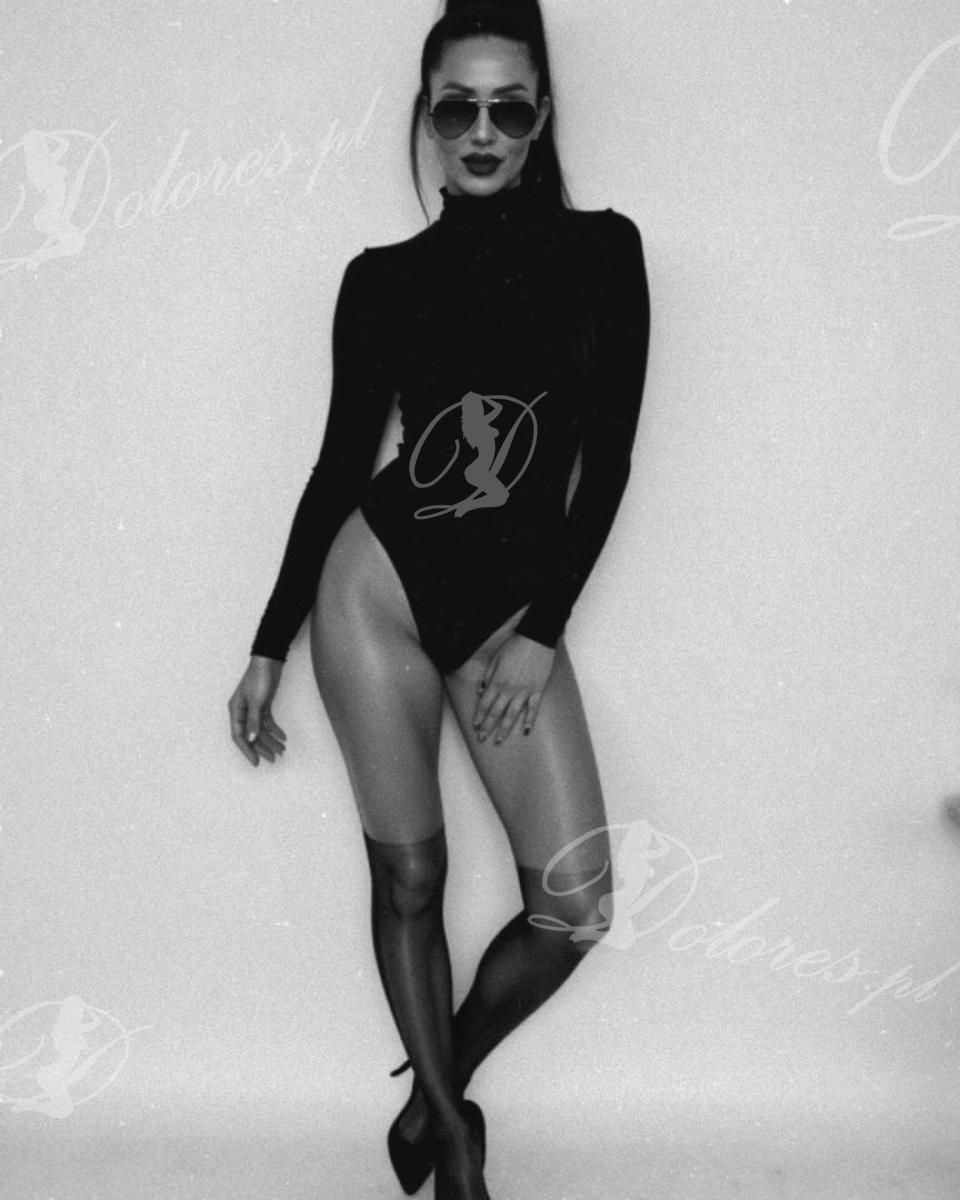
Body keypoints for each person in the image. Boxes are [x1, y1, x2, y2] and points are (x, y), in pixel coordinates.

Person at [227, 1, 651, 1195]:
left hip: (513, 616)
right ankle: (458, 1150)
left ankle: (431, 1093)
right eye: (456, 107)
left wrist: (544, 633)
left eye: (507, 108)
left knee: (574, 907)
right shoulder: (381, 280)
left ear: (541, 116)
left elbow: (609, 462)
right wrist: (268, 644)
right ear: (427, 115)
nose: (481, 132)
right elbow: (337, 469)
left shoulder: (604, 253)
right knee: (410, 880)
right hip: (376, 593)